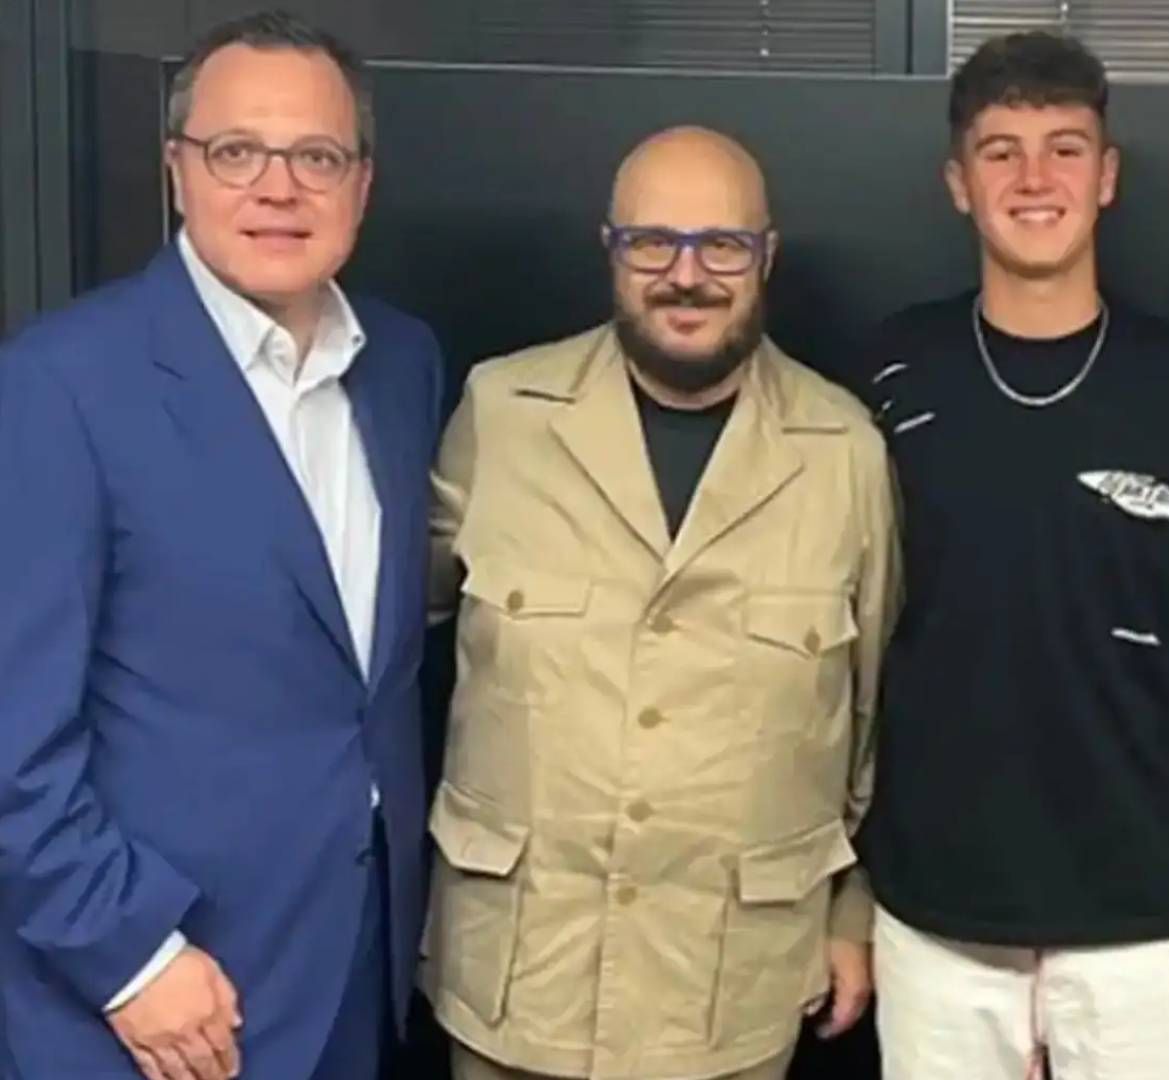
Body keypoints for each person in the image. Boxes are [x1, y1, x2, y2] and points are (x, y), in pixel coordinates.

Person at [0, 11, 443, 1080]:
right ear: (177, 169)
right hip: (152, 1005)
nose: (277, 188)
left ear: (362, 184)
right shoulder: (60, 386)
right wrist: (129, 958)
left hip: (352, 974)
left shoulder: (404, 366)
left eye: (316, 156)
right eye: (237, 151)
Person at [420, 126, 896, 1080]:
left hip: (729, 991)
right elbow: (389, 650)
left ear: (767, 256)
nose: (687, 275)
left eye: (722, 244)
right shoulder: (503, 414)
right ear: (610, 249)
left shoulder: (843, 451)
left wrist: (853, 910)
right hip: (521, 978)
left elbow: (874, 715)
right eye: (652, 242)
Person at [852, 31, 1169, 1080]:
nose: (1035, 179)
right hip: (936, 909)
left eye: (1065, 149)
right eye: (1001, 152)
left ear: (1107, 176)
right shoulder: (891, 368)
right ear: (957, 182)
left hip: (1143, 915)